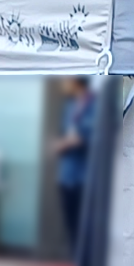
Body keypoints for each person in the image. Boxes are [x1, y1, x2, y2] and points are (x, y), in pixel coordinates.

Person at [56, 80, 96, 252]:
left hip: (86, 176)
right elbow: (68, 135)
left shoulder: (96, 103)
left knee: (87, 228)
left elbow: (89, 135)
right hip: (67, 176)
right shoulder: (70, 106)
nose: (62, 81)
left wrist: (69, 142)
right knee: (72, 225)